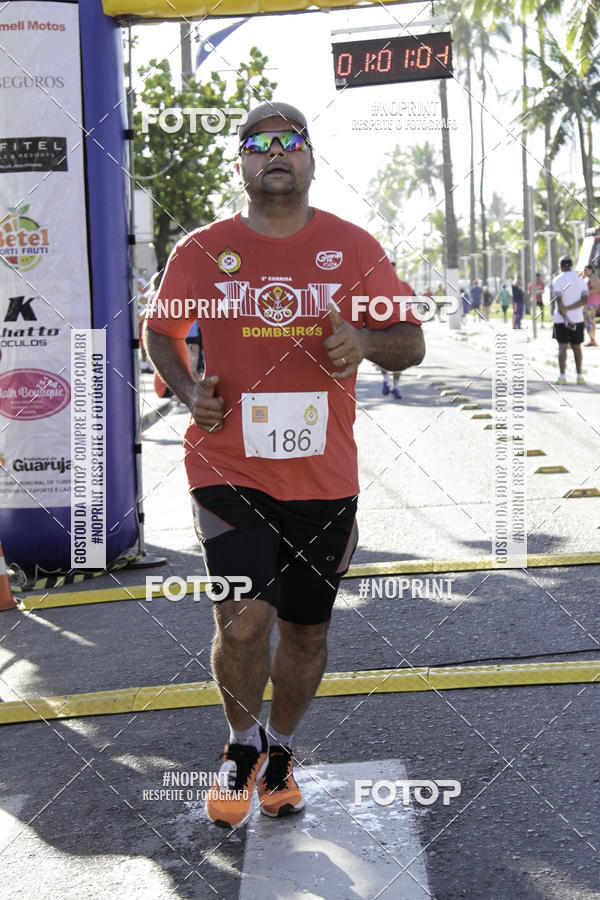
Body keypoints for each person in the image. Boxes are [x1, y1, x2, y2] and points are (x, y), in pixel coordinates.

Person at [145, 101, 425, 828]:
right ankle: (240, 745)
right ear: (240, 163)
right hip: (227, 464)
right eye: (259, 142)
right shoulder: (201, 252)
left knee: (306, 631)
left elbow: (411, 343)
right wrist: (186, 390)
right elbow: (161, 332)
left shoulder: (354, 248)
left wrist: (363, 340)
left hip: (324, 478)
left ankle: (282, 751)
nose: (276, 151)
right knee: (243, 622)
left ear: (310, 158)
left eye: (290, 139)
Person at [551, 255, 588, 384]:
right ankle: (579, 376)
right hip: (578, 318)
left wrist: (566, 316)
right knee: (577, 347)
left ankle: (562, 376)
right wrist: (571, 308)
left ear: (560, 266)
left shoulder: (557, 279)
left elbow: (559, 301)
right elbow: (584, 300)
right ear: (571, 265)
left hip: (561, 320)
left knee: (562, 347)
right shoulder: (580, 279)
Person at [582, 263, 600, 347]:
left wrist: (584, 292)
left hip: (592, 302)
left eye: (586, 270)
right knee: (588, 321)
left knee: (589, 321)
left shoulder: (593, 278)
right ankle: (592, 339)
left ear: (591, 270)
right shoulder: (587, 278)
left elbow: (596, 290)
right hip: (588, 302)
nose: (584, 271)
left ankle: (593, 340)